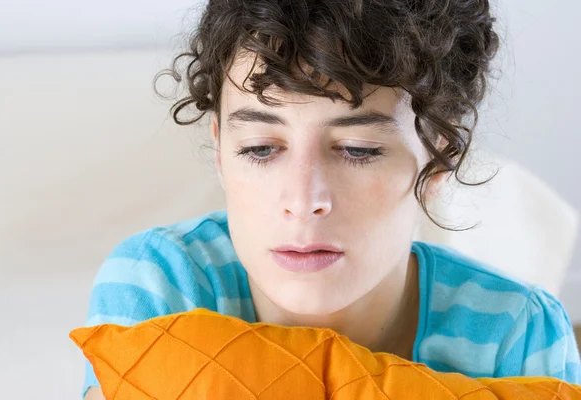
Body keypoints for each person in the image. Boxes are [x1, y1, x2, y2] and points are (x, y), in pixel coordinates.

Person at [83, 0, 581, 398]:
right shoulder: (162, 284)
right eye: (259, 148)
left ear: (440, 158)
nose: (303, 200)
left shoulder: (517, 332)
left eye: (357, 150)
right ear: (219, 149)